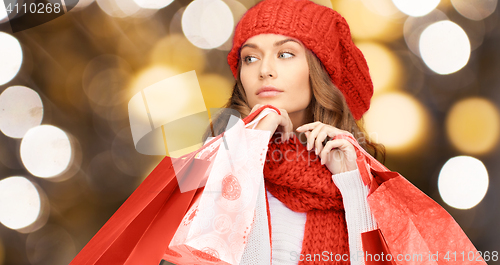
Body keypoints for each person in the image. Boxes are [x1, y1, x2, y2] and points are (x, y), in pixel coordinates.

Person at [202, 0, 385, 264]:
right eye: (250, 58)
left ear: (319, 70)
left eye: (285, 54)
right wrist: (251, 147)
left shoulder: (356, 173)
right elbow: (206, 254)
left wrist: (352, 184)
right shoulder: (215, 164)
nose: (264, 71)